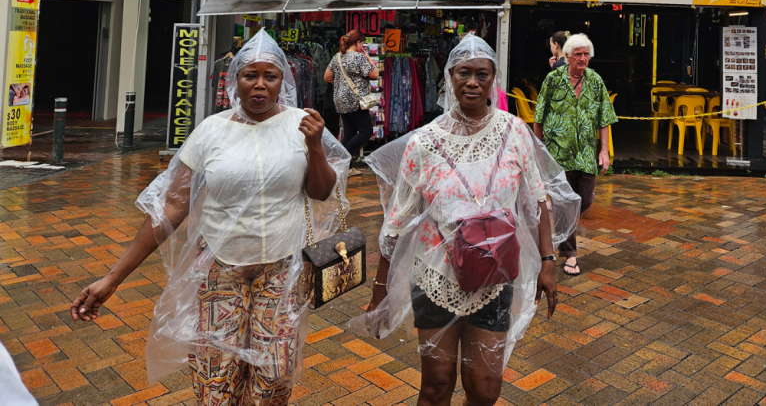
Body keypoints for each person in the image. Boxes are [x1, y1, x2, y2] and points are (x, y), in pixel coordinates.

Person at [70, 30, 350, 405]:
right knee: (215, 379)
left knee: (275, 377)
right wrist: (112, 278)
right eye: (250, 75)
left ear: (283, 80)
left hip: (282, 268)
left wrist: (315, 147)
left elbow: (320, 191)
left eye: (271, 76)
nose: (260, 86)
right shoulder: (211, 131)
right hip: (220, 269)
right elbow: (170, 207)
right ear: (234, 79)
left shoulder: (302, 124)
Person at [356, 35, 578, 406]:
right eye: (464, 73)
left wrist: (548, 261)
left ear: (494, 79)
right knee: (436, 385)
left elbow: (539, 199)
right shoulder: (423, 143)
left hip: (494, 276)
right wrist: (380, 289)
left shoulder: (514, 133)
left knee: (485, 388)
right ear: (450, 78)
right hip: (434, 275)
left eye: (482, 74)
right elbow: (397, 222)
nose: (472, 82)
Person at [533, 33, 616, 277]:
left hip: (586, 155)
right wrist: (539, 152)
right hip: (558, 154)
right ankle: (570, 255)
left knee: (584, 201)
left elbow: (605, 119)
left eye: (586, 54)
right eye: (578, 54)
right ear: (567, 55)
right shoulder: (553, 80)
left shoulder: (595, 81)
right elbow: (539, 117)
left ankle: (554, 227)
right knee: (566, 204)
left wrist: (604, 151)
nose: (583, 58)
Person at [325, 28, 380, 165]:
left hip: (340, 100)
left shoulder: (337, 57)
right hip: (356, 101)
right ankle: (343, 158)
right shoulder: (359, 57)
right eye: (362, 43)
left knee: (349, 132)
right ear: (357, 43)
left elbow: (327, 77)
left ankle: (345, 167)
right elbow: (375, 74)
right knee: (366, 131)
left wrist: (342, 84)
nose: (362, 46)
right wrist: (368, 58)